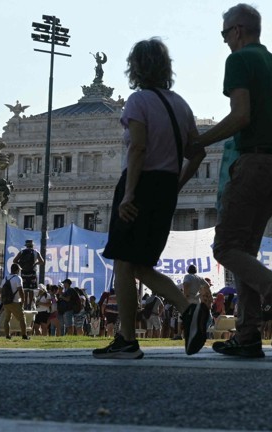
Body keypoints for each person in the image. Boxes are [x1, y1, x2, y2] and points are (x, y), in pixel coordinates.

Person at [187, 4, 272, 358]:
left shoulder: (239, 61)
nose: (225, 41)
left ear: (238, 31)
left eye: (225, 34)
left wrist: (199, 141)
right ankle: (247, 334)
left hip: (254, 160)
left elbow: (240, 115)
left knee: (226, 247)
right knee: (244, 250)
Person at [93, 38, 210, 360]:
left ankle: (128, 338)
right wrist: (176, 184)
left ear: (136, 68)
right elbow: (197, 152)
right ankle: (189, 311)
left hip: (141, 183)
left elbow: (138, 148)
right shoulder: (180, 104)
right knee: (140, 265)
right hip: (165, 187)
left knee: (123, 261)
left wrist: (129, 193)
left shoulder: (138, 101)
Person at [11, 240, 44, 310]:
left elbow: (14, 261)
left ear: (26, 245)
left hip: (24, 272)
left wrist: (21, 265)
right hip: (32, 272)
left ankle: (25, 304)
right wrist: (35, 264)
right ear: (32, 245)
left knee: (25, 289)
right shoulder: (36, 252)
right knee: (31, 290)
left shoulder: (22, 252)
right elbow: (42, 261)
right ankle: (30, 304)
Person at [1, 263, 29, 340]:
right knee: (22, 318)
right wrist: (23, 301)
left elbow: (1, 290)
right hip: (15, 301)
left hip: (6, 302)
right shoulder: (18, 278)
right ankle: (24, 335)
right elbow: (21, 290)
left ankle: (7, 335)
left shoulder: (5, 278)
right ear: (17, 270)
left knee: (7, 319)